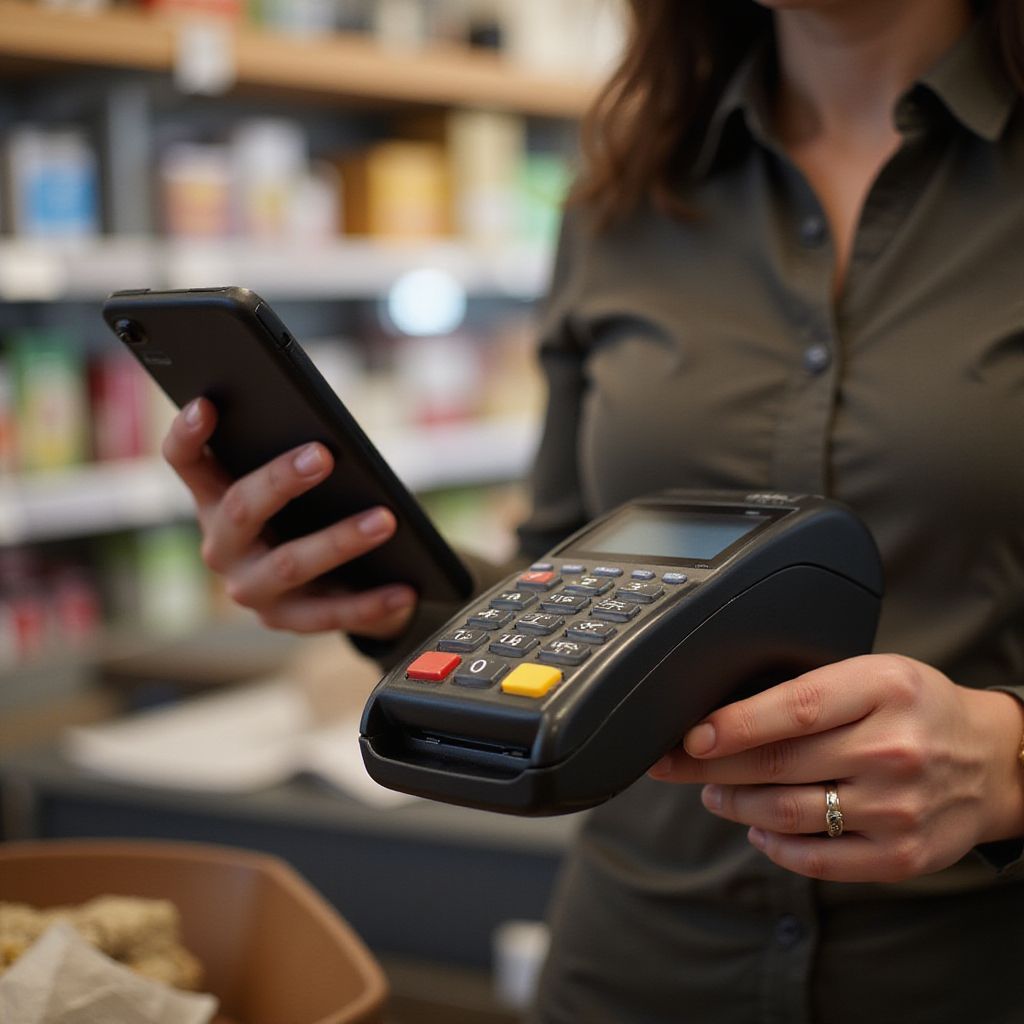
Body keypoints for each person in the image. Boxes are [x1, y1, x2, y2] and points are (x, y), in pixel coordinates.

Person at [162, 0, 1024, 1019]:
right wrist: (369, 580)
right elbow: (555, 582)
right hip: (634, 968)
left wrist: (1011, 764)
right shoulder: (625, 192)